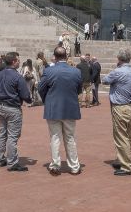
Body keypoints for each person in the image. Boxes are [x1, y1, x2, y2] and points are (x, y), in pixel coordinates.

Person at [38, 46, 83, 176]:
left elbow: (41, 88)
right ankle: (74, 166)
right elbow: (78, 89)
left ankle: (55, 165)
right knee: (70, 137)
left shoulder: (49, 71)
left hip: (53, 108)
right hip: (70, 108)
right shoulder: (76, 72)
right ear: (66, 56)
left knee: (55, 137)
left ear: (55, 57)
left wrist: (48, 99)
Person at [101, 49, 131, 176]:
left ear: (119, 59)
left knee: (120, 136)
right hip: (130, 106)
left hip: (119, 106)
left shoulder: (118, 71)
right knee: (127, 135)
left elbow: (105, 80)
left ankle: (127, 166)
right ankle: (122, 159)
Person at [0, 52, 32, 172]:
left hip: (2, 106)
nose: (19, 62)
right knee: (12, 136)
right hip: (13, 108)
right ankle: (12, 162)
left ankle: (0, 159)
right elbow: (25, 95)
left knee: (2, 133)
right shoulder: (17, 76)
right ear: (14, 62)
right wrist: (29, 100)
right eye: (18, 60)